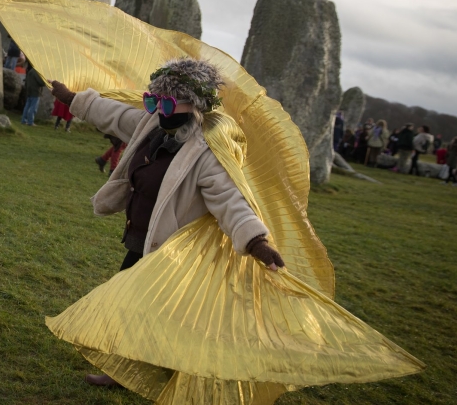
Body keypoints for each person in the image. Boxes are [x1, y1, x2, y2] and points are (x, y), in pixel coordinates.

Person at [50, 58, 284, 387]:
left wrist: (256, 241)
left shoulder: (206, 151)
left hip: (173, 249)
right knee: (137, 304)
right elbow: (114, 114)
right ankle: (136, 367)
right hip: (142, 234)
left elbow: (229, 200)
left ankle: (145, 369)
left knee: (152, 308)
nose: (159, 108)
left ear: (196, 105)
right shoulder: (153, 125)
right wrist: (74, 100)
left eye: (169, 102)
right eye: (153, 100)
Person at [20, 61, 45, 126]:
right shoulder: (36, 72)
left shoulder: (30, 71)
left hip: (29, 91)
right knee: (33, 108)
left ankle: (23, 120)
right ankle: (30, 122)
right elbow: (41, 82)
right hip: (35, 91)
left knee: (27, 106)